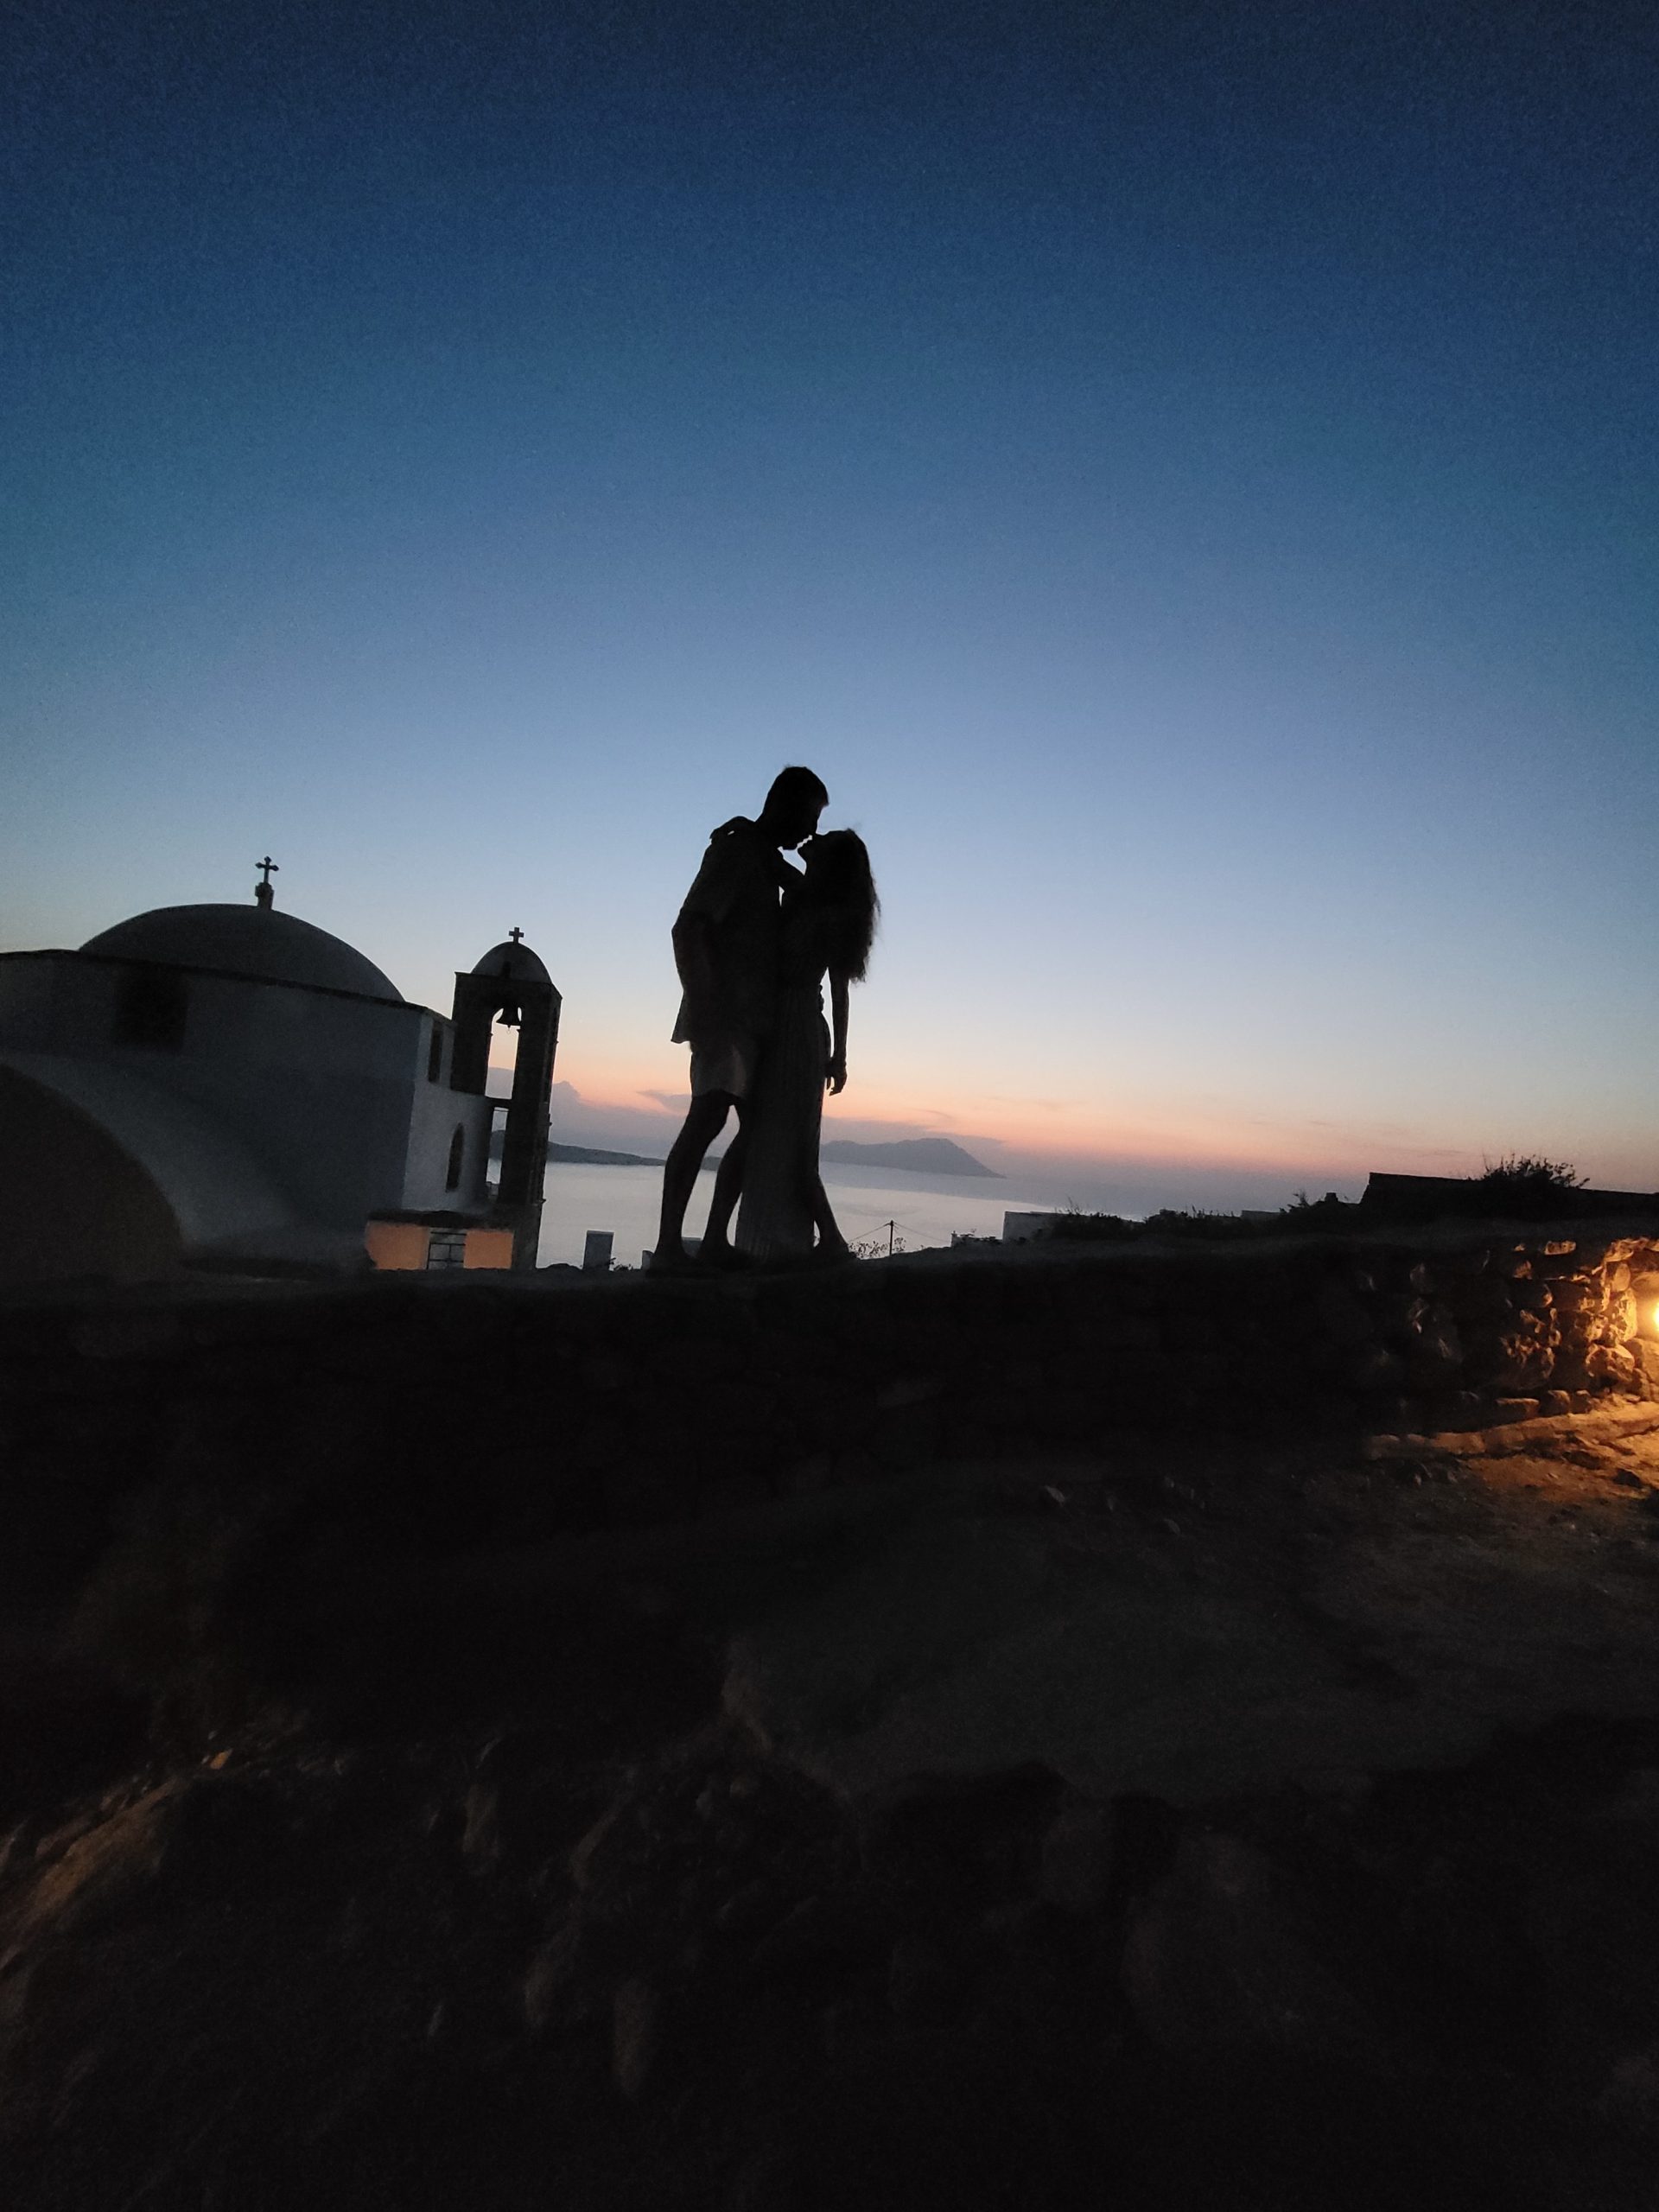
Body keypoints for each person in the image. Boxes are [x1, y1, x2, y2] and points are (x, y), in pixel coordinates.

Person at [652, 766, 829, 1271]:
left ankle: (712, 1242)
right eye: (809, 818)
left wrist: (763, 843)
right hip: (724, 1015)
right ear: (786, 805)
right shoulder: (734, 853)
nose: (809, 833)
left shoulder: (757, 855)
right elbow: (688, 928)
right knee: (706, 1120)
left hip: (752, 1020)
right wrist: (705, 1007)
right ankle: (668, 1247)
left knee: (752, 1132)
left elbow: (808, 893)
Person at [734, 829, 880, 1262]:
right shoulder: (802, 893)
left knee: (794, 1142)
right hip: (784, 1022)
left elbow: (839, 991)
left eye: (825, 836)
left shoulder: (822, 909)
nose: (814, 834)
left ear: (830, 860)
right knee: (774, 1137)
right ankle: (795, 1242)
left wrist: (841, 1056)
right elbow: (767, 859)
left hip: (797, 1028)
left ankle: (829, 1240)